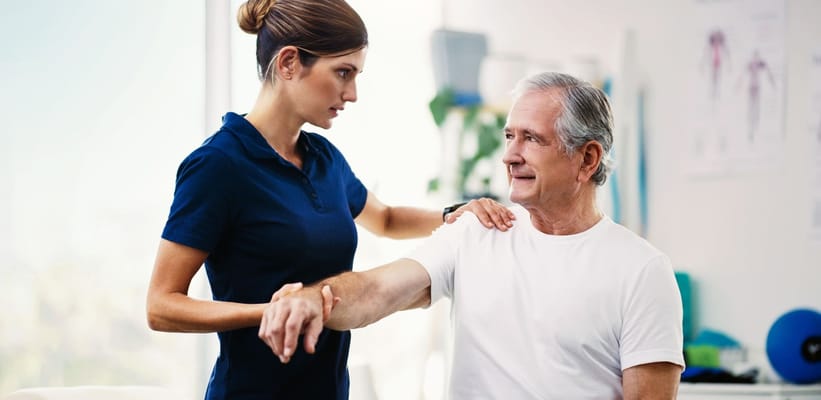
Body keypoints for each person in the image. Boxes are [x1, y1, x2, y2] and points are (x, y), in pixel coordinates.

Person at [144, 0, 514, 399]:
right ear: (289, 63)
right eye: (343, 73)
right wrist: (270, 312)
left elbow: (385, 219)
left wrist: (455, 215)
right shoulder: (219, 165)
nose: (351, 93)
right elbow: (162, 305)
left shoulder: (324, 158)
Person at [260, 72, 686, 399]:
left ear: (587, 159)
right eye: (508, 136)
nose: (509, 155)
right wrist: (314, 298)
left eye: (532, 139)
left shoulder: (641, 271)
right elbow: (377, 290)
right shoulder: (477, 231)